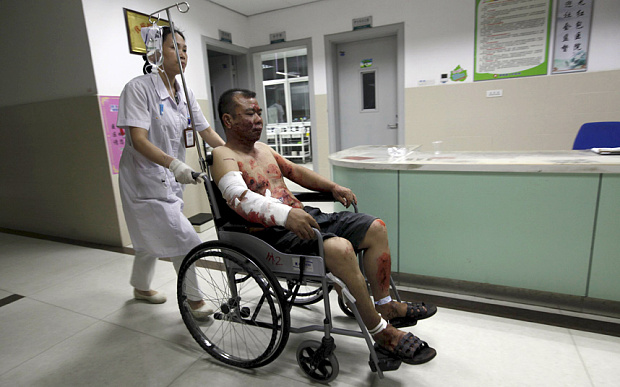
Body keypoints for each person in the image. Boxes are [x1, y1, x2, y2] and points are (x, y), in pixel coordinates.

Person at [211, 88, 437, 365]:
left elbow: (296, 172)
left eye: (259, 112)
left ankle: (385, 305)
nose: (258, 119)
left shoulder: (263, 150)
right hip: (272, 234)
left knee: (376, 227)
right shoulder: (223, 155)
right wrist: (284, 215)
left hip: (303, 216)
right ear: (228, 120)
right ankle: (383, 334)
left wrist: (332, 187)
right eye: (250, 113)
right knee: (340, 248)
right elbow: (240, 198)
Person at [117, 26, 225, 318]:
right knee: (184, 238)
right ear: (155, 52)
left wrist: (231, 154)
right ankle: (195, 301)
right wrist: (175, 164)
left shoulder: (185, 92)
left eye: (185, 48)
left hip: (167, 178)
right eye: (173, 47)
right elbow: (138, 140)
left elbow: (205, 130)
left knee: (149, 237)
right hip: (143, 179)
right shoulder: (138, 89)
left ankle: (140, 287)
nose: (183, 54)